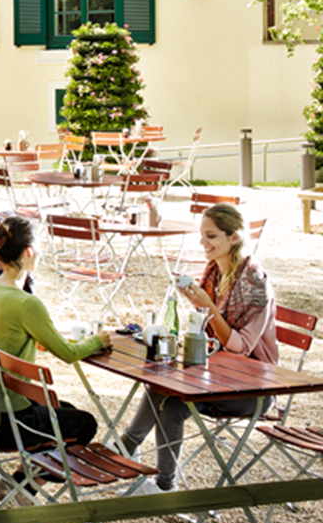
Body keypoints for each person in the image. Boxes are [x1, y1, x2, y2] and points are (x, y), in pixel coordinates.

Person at [117, 204, 278, 493]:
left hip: (253, 389)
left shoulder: (255, 282)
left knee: (172, 394)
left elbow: (240, 348)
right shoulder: (215, 272)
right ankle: (156, 474)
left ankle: (133, 454)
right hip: (216, 375)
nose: (202, 242)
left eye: (211, 236)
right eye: (202, 234)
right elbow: (206, 331)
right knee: (165, 387)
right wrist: (197, 303)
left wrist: (207, 307)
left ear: (234, 238)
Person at [0, 216, 111, 503]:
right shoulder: (27, 303)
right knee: (84, 425)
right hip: (7, 420)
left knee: (64, 410)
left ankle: (19, 480)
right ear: (29, 252)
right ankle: (25, 484)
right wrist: (100, 340)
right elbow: (69, 353)